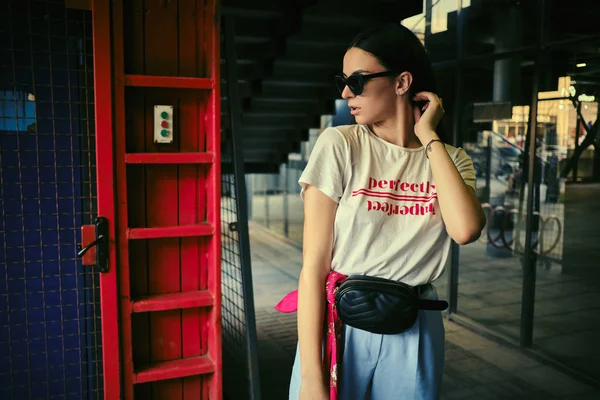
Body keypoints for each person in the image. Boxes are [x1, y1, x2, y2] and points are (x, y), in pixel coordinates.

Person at [278, 23, 486, 400]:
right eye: (344, 81)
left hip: (415, 325)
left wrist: (428, 136)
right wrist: (312, 376)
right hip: (342, 323)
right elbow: (313, 268)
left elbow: (466, 229)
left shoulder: (450, 159)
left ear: (402, 82)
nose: (345, 92)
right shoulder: (341, 145)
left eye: (356, 81)